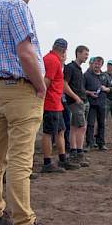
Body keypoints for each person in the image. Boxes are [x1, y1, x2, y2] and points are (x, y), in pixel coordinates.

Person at [0, 0, 45, 225]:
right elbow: (26, 52)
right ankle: (23, 219)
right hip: (20, 89)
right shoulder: (18, 7)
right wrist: (40, 84)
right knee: (20, 162)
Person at [40, 38, 78, 173]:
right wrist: (39, 98)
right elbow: (46, 82)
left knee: (61, 131)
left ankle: (62, 160)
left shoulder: (53, 59)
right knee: (49, 133)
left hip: (56, 103)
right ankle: (47, 162)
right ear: (64, 50)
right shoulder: (52, 60)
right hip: (50, 103)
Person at [64, 45, 90, 166]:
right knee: (80, 127)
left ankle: (76, 153)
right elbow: (64, 85)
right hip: (75, 102)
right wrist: (76, 97)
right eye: (85, 54)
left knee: (76, 127)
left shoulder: (79, 69)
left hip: (81, 101)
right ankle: (77, 154)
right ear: (78, 53)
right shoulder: (70, 67)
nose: (86, 57)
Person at [84, 56, 112, 150]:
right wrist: (90, 93)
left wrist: (106, 89)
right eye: (95, 63)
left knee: (101, 124)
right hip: (91, 104)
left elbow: (110, 88)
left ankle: (101, 144)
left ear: (101, 65)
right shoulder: (87, 75)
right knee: (90, 124)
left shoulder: (105, 76)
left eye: (99, 64)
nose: (97, 65)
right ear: (93, 64)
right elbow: (82, 89)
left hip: (102, 103)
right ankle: (89, 144)